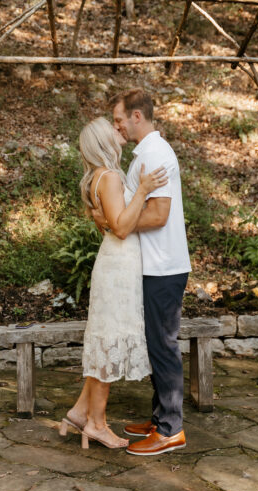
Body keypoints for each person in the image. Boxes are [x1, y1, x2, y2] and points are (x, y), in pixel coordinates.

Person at [93, 89, 192, 456]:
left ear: (137, 116)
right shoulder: (147, 153)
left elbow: (158, 214)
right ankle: (159, 417)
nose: (117, 125)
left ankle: (170, 430)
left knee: (163, 345)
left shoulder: (154, 153)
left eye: (119, 118)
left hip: (163, 266)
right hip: (151, 265)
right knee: (155, 343)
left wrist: (119, 223)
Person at [59, 117, 168, 449]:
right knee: (108, 343)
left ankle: (79, 413)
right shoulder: (108, 178)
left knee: (104, 338)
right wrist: (145, 191)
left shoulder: (96, 177)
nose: (120, 132)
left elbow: (109, 224)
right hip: (118, 266)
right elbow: (121, 227)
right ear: (104, 141)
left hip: (113, 262)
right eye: (113, 130)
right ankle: (97, 424)